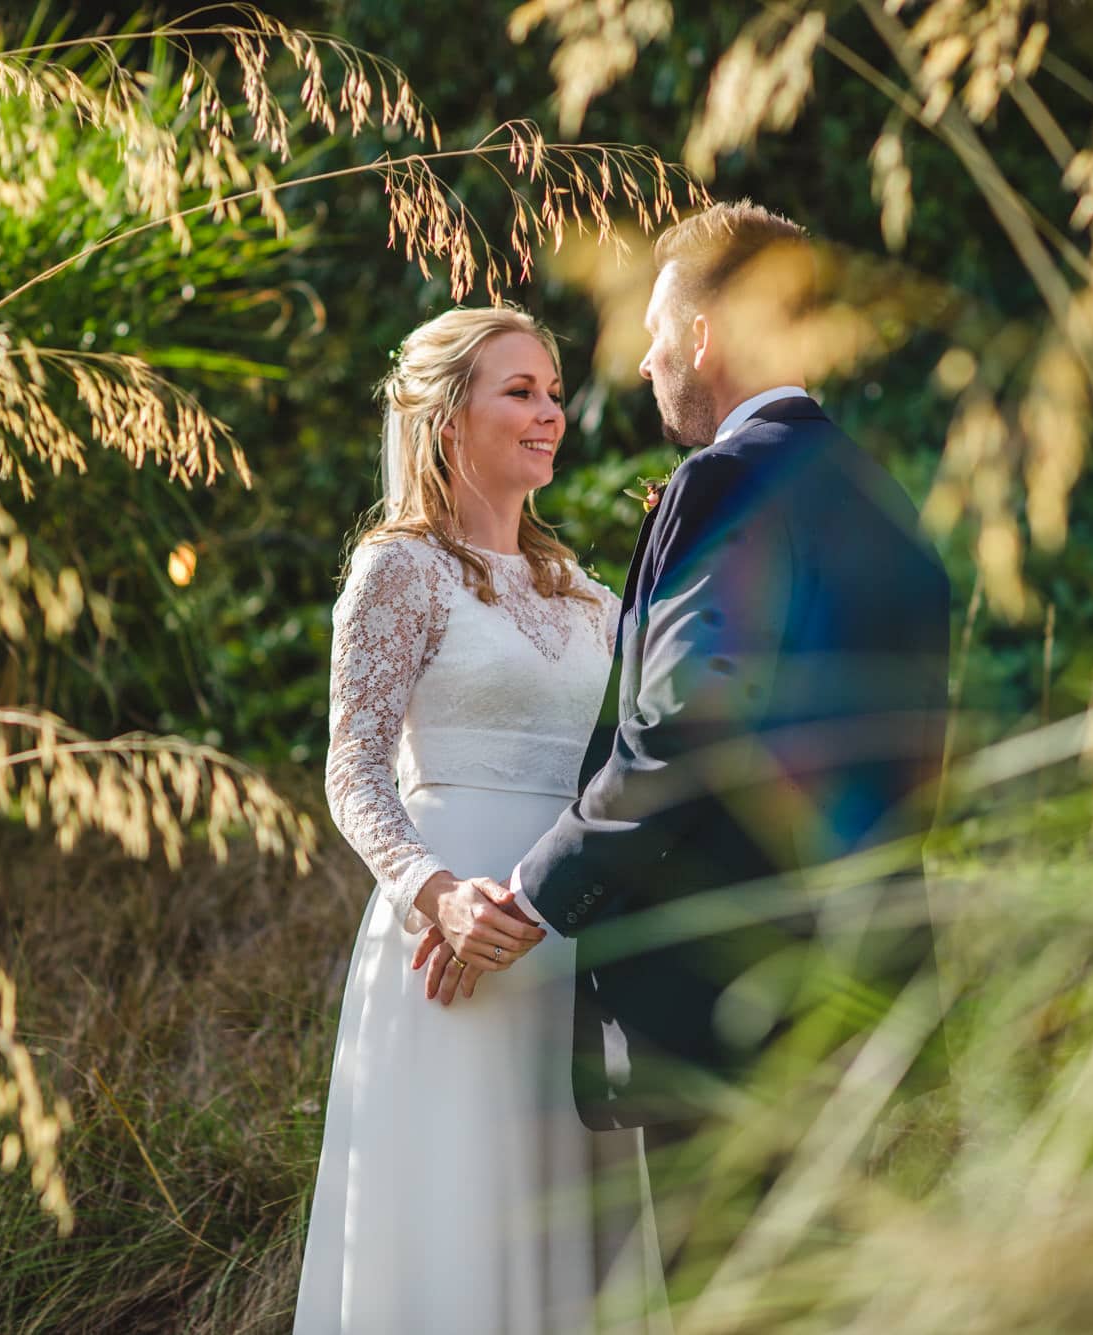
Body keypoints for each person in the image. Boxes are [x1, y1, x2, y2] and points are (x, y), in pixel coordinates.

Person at [413, 200, 952, 1262]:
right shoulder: (885, 501)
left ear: (703, 337)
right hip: (872, 991)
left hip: (730, 1005)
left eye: (658, 334)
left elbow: (681, 727)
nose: (648, 362)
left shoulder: (722, 482)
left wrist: (528, 893)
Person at [294, 307, 669, 1334]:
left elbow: (623, 771)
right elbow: (353, 772)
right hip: (450, 942)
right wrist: (435, 895)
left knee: (570, 1222)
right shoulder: (397, 569)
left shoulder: (589, 595)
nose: (549, 412)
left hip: (571, 935)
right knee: (458, 1214)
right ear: (447, 416)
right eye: (519, 391)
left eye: (551, 391)